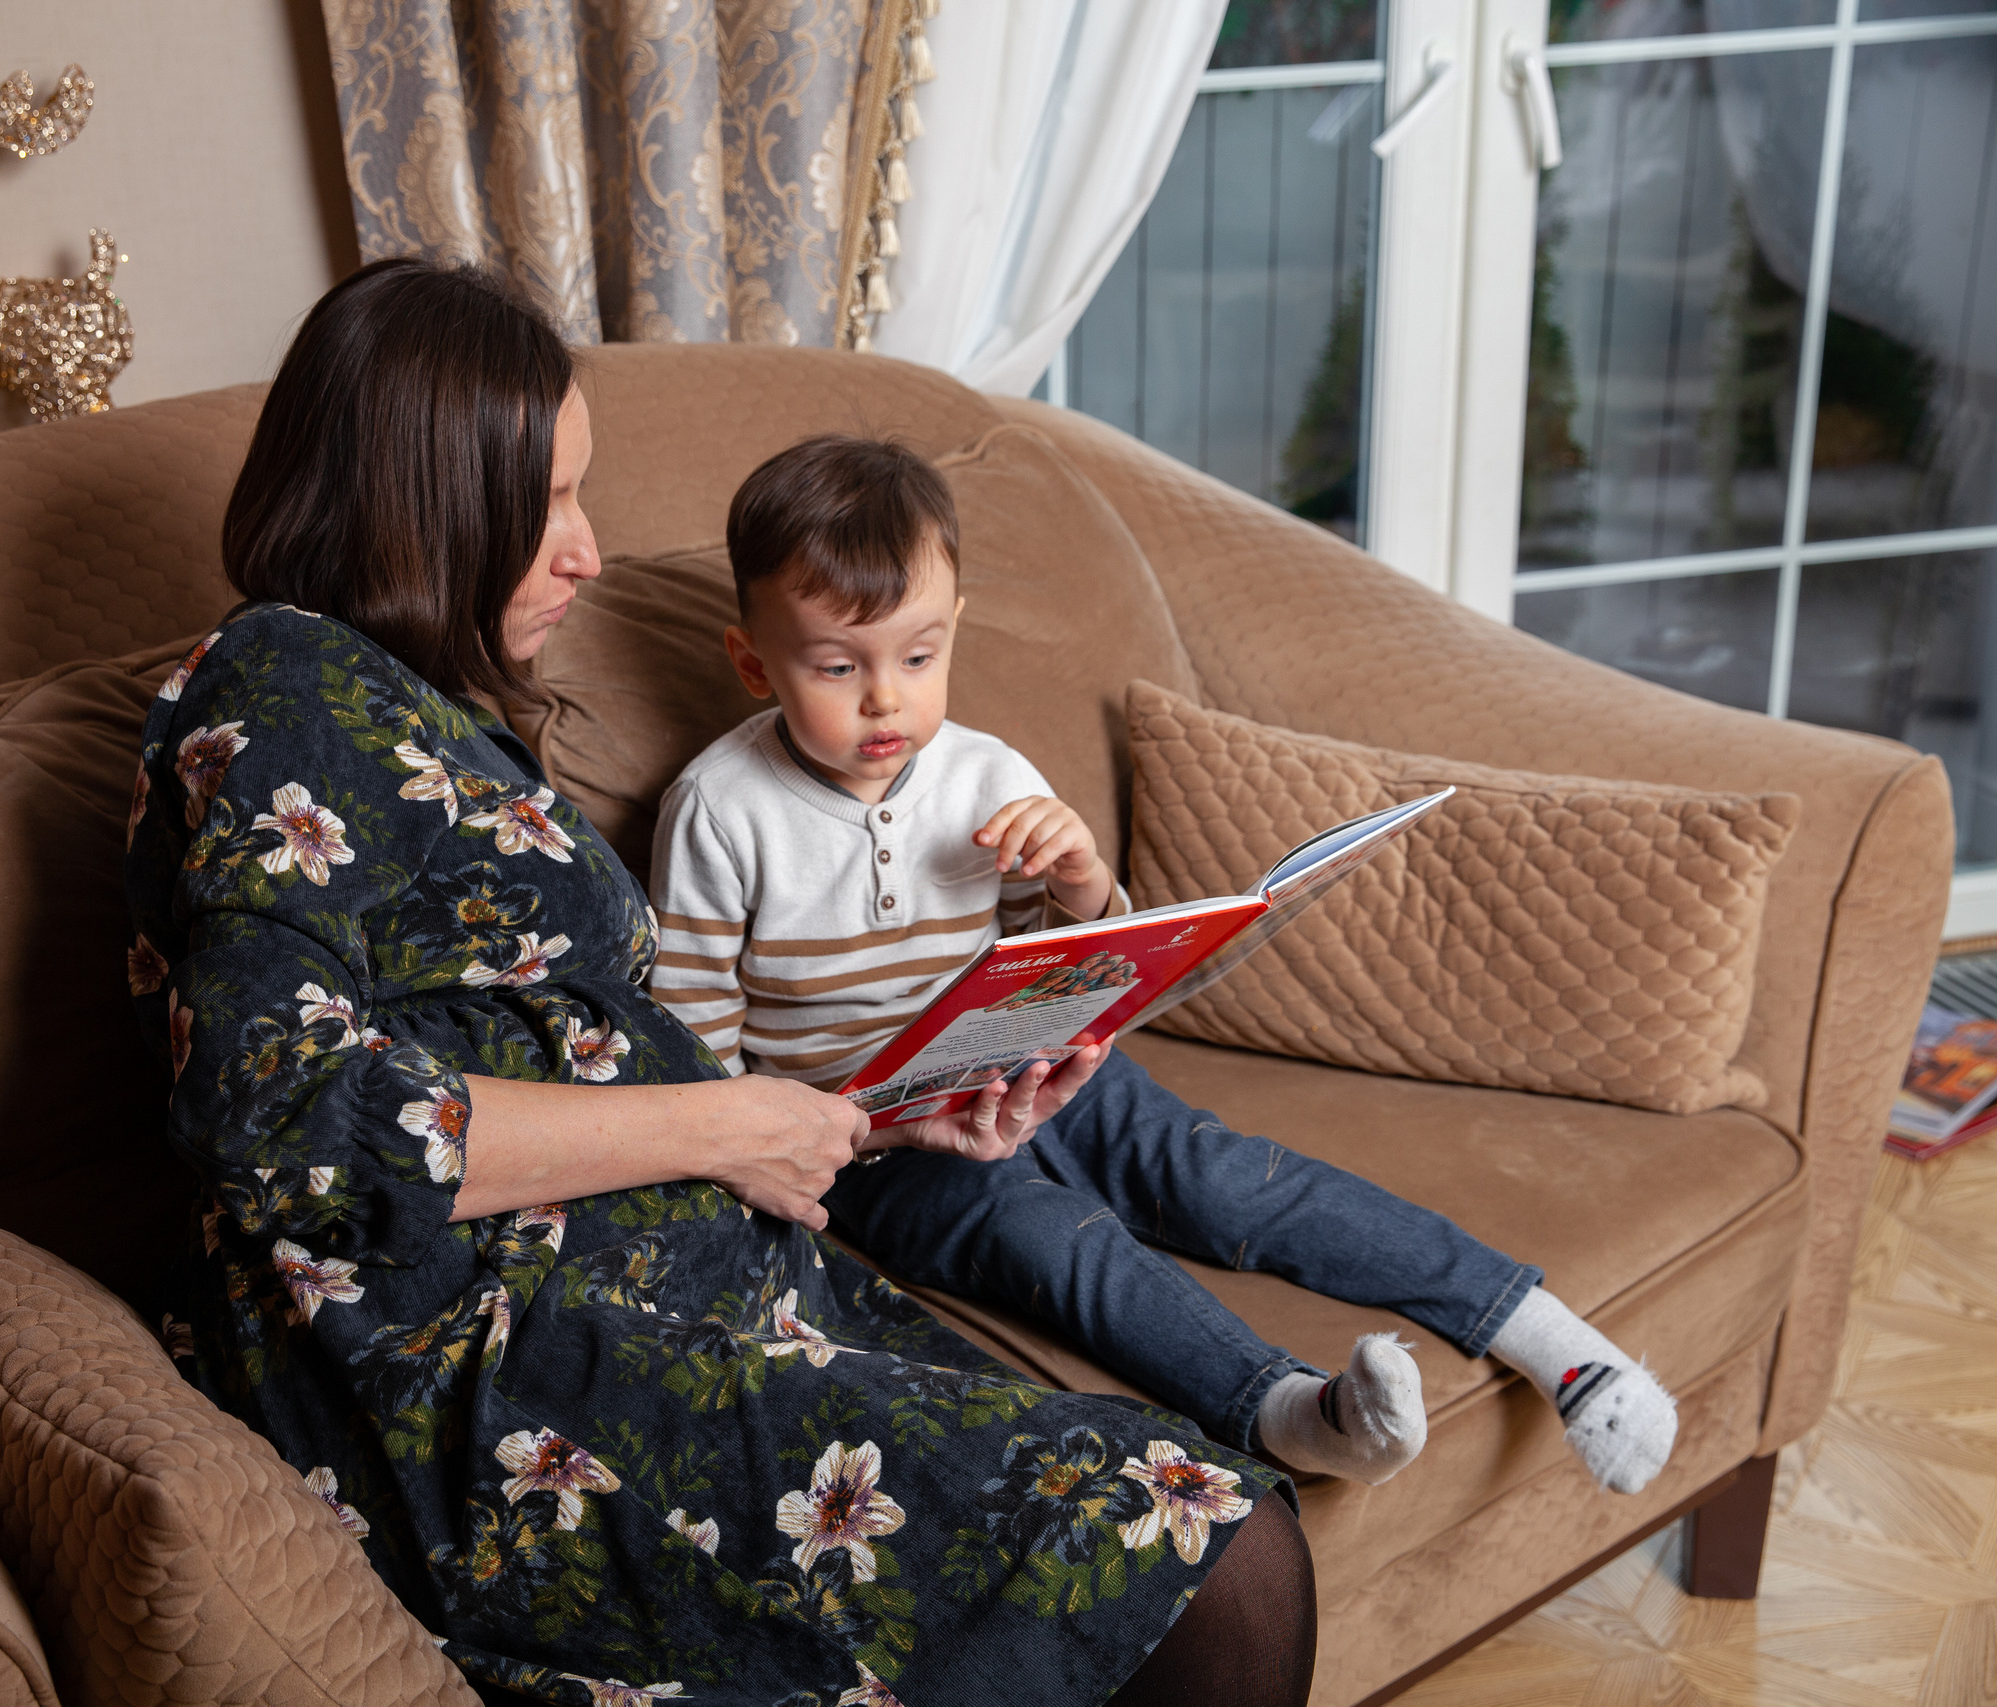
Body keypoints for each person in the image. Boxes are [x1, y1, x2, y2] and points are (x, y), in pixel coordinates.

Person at [125, 258, 1318, 1707]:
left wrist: (876, 1117)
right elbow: (278, 1108)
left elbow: (590, 1069)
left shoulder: (422, 709)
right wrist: (722, 1126)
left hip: (701, 1286)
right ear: (425, 505)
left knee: (1200, 1516)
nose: (590, 553)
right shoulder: (287, 681)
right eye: (550, 503)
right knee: (1214, 1540)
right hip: (518, 1375)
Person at [647, 434, 1681, 1495]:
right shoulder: (721, 813)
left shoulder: (988, 771)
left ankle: (1556, 1343)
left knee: (1226, 1180)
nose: (885, 702)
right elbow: (692, 1061)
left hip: (1037, 1071)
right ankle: (1288, 1412)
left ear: (954, 630)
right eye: (836, 667)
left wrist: (1085, 883)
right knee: (1055, 1242)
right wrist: (838, 1134)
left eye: (918, 658)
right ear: (750, 661)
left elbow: (1059, 956)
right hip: (880, 1147)